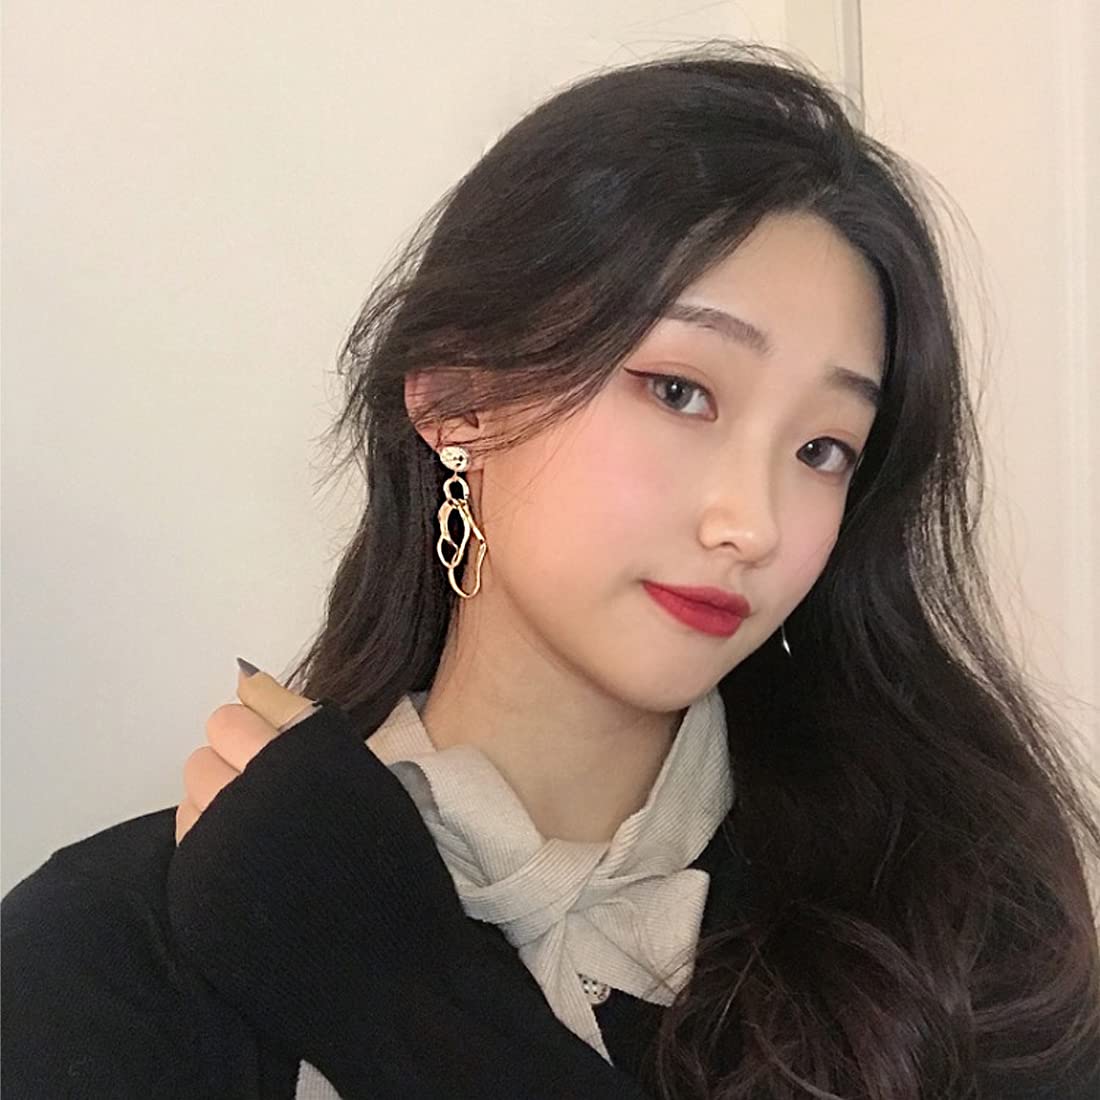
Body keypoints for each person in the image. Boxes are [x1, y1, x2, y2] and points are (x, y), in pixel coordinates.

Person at [4, 39, 1100, 1100]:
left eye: (822, 449)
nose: (752, 522)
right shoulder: (106, 956)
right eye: (680, 391)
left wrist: (408, 1005)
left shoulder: (962, 942)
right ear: (456, 400)